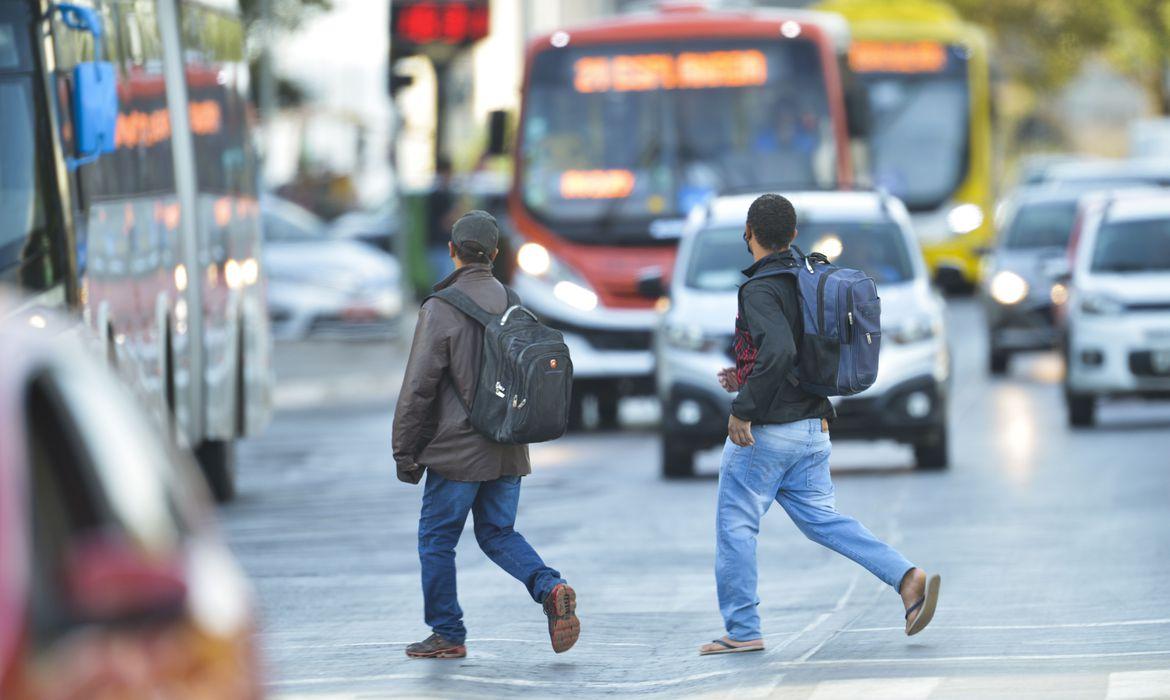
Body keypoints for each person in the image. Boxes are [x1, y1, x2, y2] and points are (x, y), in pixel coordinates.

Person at [699, 194, 940, 656]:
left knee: (735, 526)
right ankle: (908, 578)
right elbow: (799, 355)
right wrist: (745, 377)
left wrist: (742, 408)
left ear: (748, 232)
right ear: (792, 235)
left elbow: (780, 353)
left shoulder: (759, 289)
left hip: (769, 433)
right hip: (813, 428)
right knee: (824, 522)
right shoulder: (810, 279)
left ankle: (743, 629)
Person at [393, 210, 580, 659]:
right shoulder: (514, 303)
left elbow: (420, 386)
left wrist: (405, 451)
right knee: (497, 532)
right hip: (508, 447)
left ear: (453, 252)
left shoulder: (440, 308)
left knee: (437, 540)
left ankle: (447, 633)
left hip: (457, 452)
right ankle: (549, 586)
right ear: (495, 254)